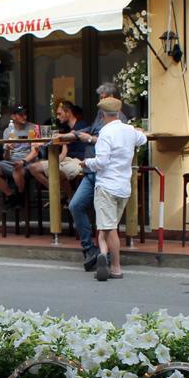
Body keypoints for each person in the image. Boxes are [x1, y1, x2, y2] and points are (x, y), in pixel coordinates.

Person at [82, 99, 147, 281]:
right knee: (106, 226)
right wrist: (139, 131)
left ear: (102, 115)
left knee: (109, 228)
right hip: (123, 187)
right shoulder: (129, 131)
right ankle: (102, 254)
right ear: (118, 113)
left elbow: (101, 162)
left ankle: (116, 266)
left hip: (106, 186)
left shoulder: (105, 132)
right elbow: (143, 138)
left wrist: (86, 163)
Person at [67, 84, 129, 270]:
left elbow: (104, 142)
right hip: (92, 172)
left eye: (102, 96)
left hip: (103, 173)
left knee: (107, 221)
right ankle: (90, 250)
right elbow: (94, 130)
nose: (99, 100)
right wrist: (75, 134)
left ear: (111, 98)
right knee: (75, 205)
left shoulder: (119, 119)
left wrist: (88, 139)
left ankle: (107, 258)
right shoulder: (100, 115)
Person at [29, 101, 89, 200]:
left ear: (68, 112)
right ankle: (59, 194)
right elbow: (63, 148)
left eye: (59, 114)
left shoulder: (81, 126)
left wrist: (46, 141)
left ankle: (67, 198)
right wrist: (42, 144)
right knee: (33, 168)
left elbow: (70, 139)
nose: (57, 117)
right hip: (66, 159)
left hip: (79, 160)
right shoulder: (66, 128)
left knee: (57, 172)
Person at [0, 105, 33, 209]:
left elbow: (35, 151)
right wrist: (8, 149)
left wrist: (23, 161)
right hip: (11, 161)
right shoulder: (8, 131)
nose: (24, 117)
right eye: (21, 114)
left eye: (25, 114)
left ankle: (21, 196)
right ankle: (11, 196)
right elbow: (6, 158)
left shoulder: (32, 128)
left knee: (17, 169)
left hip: (27, 161)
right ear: (13, 116)